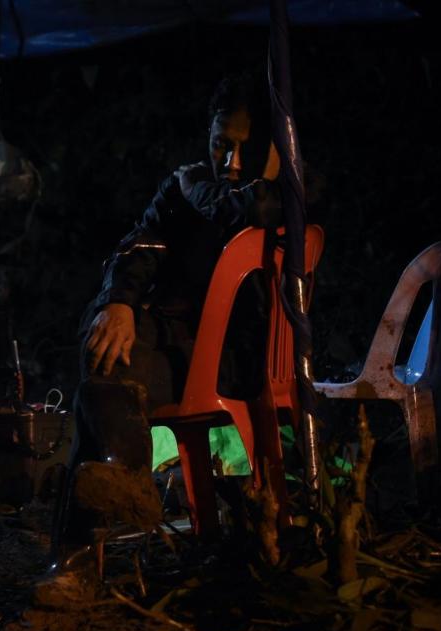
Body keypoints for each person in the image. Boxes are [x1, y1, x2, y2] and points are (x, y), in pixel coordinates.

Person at [53, 74, 284, 562]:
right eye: (222, 145)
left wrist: (195, 187)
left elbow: (251, 210)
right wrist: (119, 302)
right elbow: (140, 245)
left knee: (92, 404)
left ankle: (78, 547)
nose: (232, 162)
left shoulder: (289, 192)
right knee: (106, 354)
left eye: (247, 148)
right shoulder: (185, 188)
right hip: (181, 354)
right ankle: (125, 477)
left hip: (245, 359)